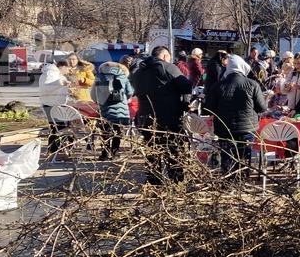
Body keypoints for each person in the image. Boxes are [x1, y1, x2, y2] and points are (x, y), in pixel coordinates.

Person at [130, 45, 193, 184]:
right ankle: (176, 182)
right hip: (168, 118)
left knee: (152, 151)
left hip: (145, 118)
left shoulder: (139, 71)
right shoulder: (167, 67)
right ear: (165, 56)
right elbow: (186, 86)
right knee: (173, 151)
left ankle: (154, 183)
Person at [203, 54, 268, 177]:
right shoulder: (252, 84)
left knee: (227, 156)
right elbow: (262, 108)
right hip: (247, 128)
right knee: (244, 156)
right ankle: (241, 182)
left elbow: (208, 109)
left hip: (224, 128)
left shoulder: (217, 86)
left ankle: (229, 182)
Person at [93, 59, 135, 160]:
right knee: (118, 131)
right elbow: (130, 92)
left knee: (105, 132)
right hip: (121, 110)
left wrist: (100, 100)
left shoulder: (99, 77)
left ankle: (104, 154)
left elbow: (93, 95)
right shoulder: (123, 76)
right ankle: (115, 153)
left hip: (105, 109)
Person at [38, 60, 72, 161]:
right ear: (63, 66)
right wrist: (61, 83)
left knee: (57, 128)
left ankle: (55, 151)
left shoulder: (57, 74)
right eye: (68, 69)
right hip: (51, 105)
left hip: (56, 104)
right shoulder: (50, 73)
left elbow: (60, 90)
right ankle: (53, 152)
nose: (68, 72)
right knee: (57, 129)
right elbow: (47, 88)